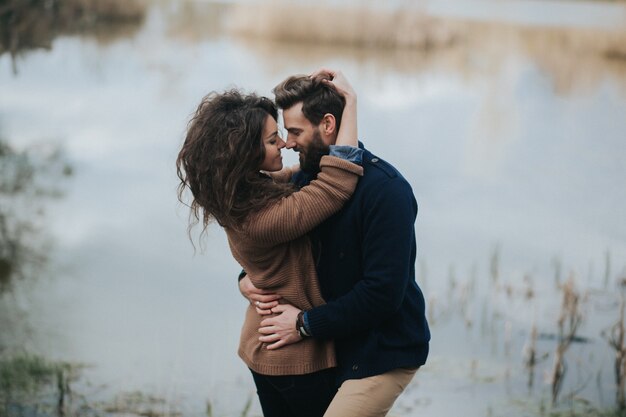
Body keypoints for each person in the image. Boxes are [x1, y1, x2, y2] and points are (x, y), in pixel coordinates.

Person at [239, 69, 430, 417]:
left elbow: (382, 293)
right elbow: (274, 239)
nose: (289, 143)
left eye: (295, 131)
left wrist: (303, 324)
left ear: (328, 125)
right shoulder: (308, 180)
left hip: (381, 347)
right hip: (331, 342)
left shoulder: (387, 192)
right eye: (283, 133)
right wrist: (246, 278)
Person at [176, 71, 363, 417]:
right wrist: (350, 104)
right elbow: (335, 184)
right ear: (245, 154)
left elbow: (295, 176)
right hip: (293, 357)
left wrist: (244, 280)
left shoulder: (239, 191)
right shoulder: (263, 218)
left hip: (262, 344)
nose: (284, 145)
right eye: (272, 140)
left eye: (281, 135)